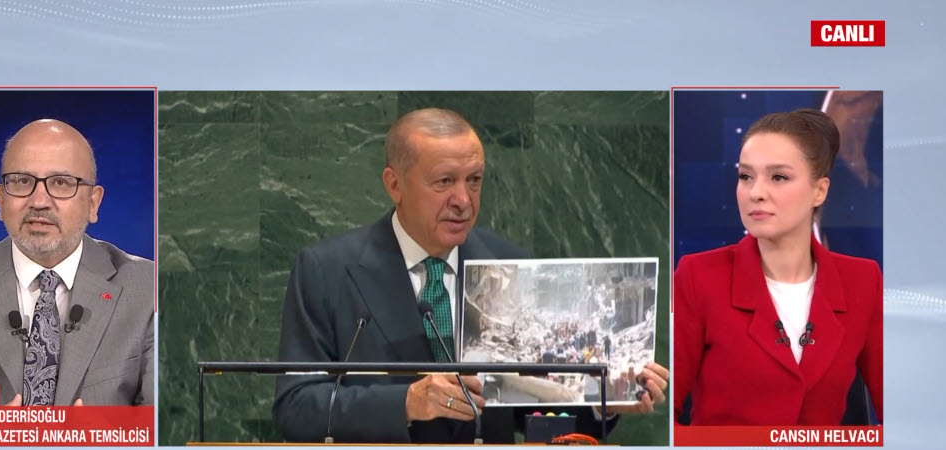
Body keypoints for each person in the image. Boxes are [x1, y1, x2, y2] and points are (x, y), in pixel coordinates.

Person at [273, 108, 668, 443]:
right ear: (394, 184)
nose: (463, 200)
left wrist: (603, 401)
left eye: (474, 180)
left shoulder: (507, 264)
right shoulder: (327, 271)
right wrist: (406, 402)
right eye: (444, 181)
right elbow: (295, 407)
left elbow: (531, 410)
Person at [673, 108, 883, 425]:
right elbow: (664, 417)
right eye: (746, 177)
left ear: (819, 191)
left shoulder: (862, 281)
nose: (756, 193)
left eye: (778, 177)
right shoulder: (698, 277)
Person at [0, 119, 154, 407]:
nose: (39, 201)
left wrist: (105, 432)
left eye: (61, 182)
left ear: (93, 203)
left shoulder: (149, 291)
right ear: (0, 200)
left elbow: (166, 422)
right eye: (22, 181)